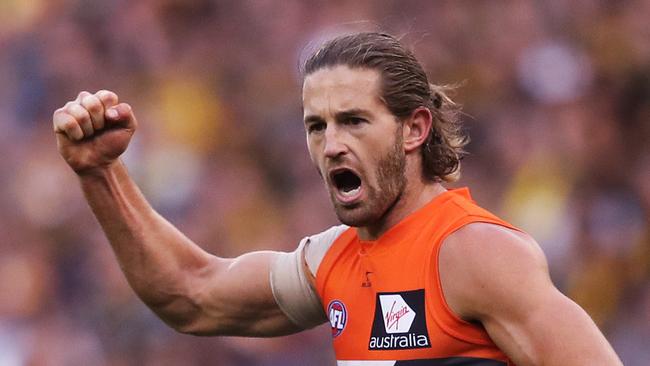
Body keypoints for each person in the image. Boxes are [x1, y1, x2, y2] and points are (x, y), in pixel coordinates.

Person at [52, 32, 621, 365]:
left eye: (353, 121)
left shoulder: (473, 253)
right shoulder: (331, 261)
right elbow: (191, 296)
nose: (331, 145)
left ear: (414, 129)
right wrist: (102, 173)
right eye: (316, 126)